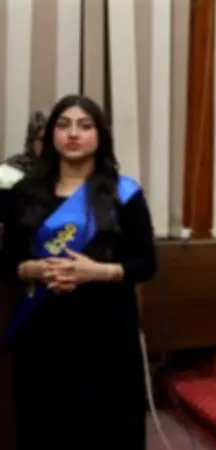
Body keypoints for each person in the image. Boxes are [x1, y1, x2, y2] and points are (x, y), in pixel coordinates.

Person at [0, 94, 157, 448]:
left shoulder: (124, 195)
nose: (73, 134)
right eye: (63, 125)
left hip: (106, 335)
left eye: (85, 126)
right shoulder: (24, 193)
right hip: (41, 334)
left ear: (100, 136)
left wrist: (97, 272)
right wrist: (32, 268)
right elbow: (7, 261)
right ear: (50, 135)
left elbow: (146, 265)